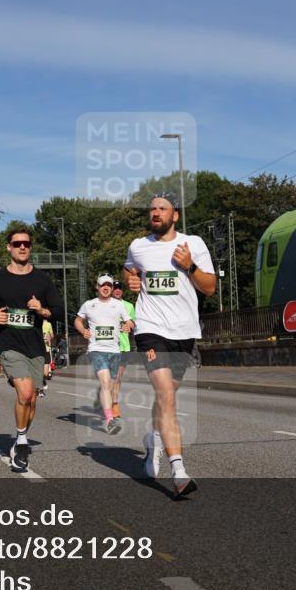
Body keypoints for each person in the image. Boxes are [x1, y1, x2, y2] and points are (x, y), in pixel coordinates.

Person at [124, 193, 216, 497]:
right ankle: (179, 471)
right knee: (165, 394)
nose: (156, 213)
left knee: (167, 397)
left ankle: (153, 439)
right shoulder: (139, 246)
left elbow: (210, 288)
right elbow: (129, 268)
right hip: (150, 329)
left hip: (184, 332)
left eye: (162, 209)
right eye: (152, 209)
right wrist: (131, 279)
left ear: (174, 215)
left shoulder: (193, 244)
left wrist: (190, 266)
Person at [0, 226, 64, 473]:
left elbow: (58, 310)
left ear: (30, 247)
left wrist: (42, 310)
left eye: (26, 243)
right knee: (24, 393)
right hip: (9, 343)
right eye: (17, 244)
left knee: (31, 398)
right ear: (8, 248)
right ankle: (22, 443)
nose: (22, 247)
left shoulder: (42, 280)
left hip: (34, 345)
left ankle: (19, 439)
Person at [75, 274, 133, 434]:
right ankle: (109, 420)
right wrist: (83, 330)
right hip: (96, 349)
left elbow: (129, 321)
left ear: (112, 288)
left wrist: (128, 326)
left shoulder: (118, 305)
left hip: (115, 350)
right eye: (103, 285)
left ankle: (107, 409)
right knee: (106, 382)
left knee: (110, 385)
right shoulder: (89, 305)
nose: (106, 287)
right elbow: (77, 320)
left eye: (109, 285)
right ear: (97, 287)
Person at [111, 280, 136, 419]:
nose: (118, 291)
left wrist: (129, 326)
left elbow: (133, 324)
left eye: (120, 288)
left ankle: (114, 404)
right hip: (108, 346)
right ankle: (110, 401)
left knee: (118, 378)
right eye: (115, 288)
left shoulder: (129, 306)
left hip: (124, 347)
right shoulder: (105, 305)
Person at [40, 320, 54, 398]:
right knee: (38, 371)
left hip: (46, 350)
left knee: (45, 373)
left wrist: (50, 337)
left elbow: (52, 335)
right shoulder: (35, 323)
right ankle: (40, 390)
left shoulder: (48, 324)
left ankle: (43, 381)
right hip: (37, 350)